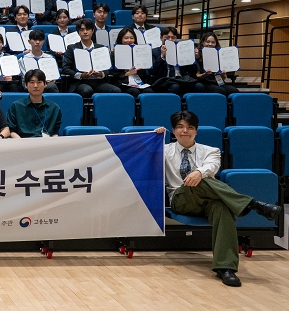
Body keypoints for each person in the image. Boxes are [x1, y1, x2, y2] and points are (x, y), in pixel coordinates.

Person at [160, 110, 283, 287]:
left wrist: (198, 172)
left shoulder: (211, 151)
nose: (185, 131)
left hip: (207, 201)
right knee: (197, 180)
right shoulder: (164, 150)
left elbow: (212, 166)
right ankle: (252, 204)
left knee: (222, 207)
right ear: (173, 130)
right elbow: (139, 155)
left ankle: (226, 268)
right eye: (180, 127)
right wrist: (153, 139)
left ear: (196, 130)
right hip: (181, 200)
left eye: (190, 127)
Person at [62, 19, 121, 98]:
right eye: (82, 30)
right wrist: (81, 75)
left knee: (116, 90)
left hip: (99, 81)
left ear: (92, 31)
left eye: (88, 29)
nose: (85, 32)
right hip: (81, 82)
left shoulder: (101, 48)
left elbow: (108, 69)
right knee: (87, 90)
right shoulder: (72, 48)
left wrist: (100, 74)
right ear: (78, 32)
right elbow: (65, 68)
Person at [6, 69, 63, 138]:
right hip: (23, 144)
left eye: (39, 82)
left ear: (45, 84)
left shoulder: (54, 108)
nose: (35, 86)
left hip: (47, 145)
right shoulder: (16, 106)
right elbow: (12, 131)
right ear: (26, 85)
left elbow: (55, 133)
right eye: (32, 82)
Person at [109, 27, 153, 96]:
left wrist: (137, 53)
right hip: (122, 82)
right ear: (121, 39)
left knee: (149, 91)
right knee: (134, 91)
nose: (129, 40)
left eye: (132, 38)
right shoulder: (115, 53)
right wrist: (128, 73)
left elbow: (144, 71)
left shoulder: (140, 52)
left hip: (138, 81)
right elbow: (113, 74)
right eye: (126, 38)